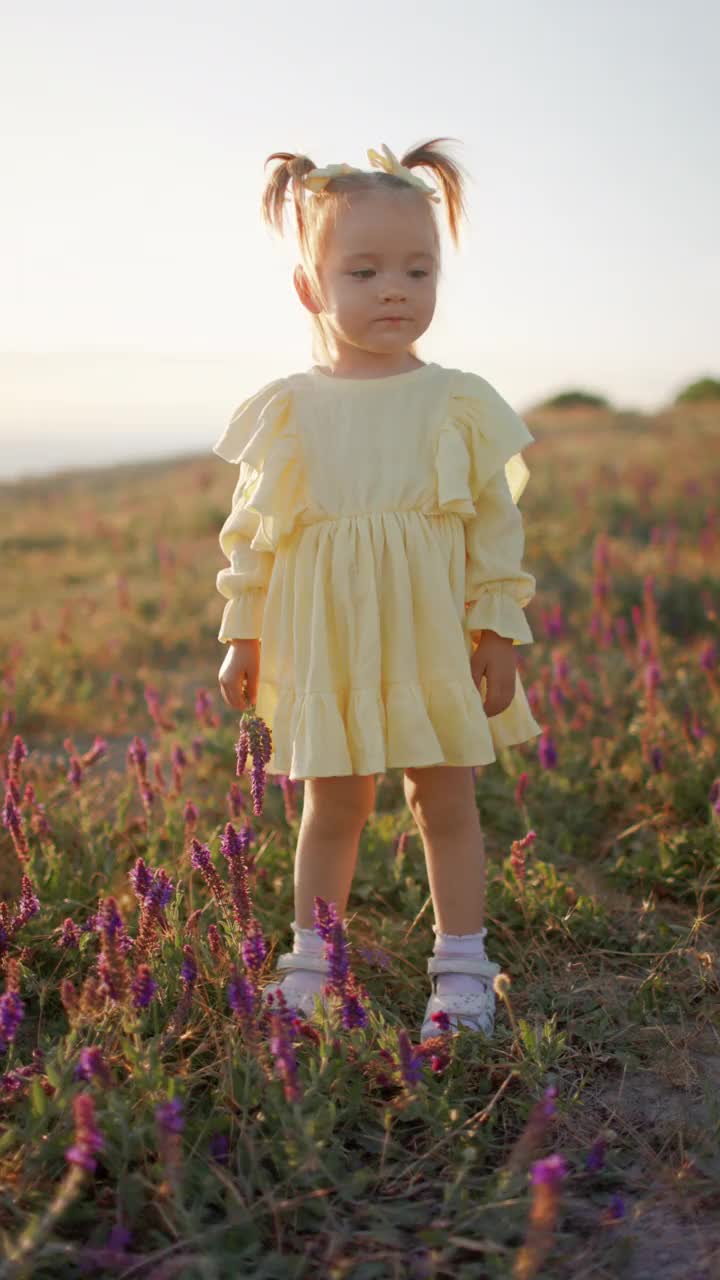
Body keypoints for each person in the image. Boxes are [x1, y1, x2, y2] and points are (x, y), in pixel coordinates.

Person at [213, 138, 542, 1041]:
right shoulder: (290, 408)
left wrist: (497, 630)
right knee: (335, 803)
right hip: (331, 640)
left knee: (447, 798)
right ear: (310, 287)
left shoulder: (458, 400)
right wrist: (244, 632)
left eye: (417, 268)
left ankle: (464, 968)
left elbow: (492, 527)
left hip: (433, 635)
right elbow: (255, 536)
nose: (395, 288)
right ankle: (312, 964)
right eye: (363, 270)